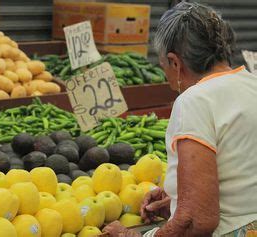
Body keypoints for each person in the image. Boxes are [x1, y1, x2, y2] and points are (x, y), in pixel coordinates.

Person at [104, 2, 257, 237]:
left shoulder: (195, 101)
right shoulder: (252, 84)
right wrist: (178, 196)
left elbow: (196, 220)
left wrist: (132, 236)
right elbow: (240, 175)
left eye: (164, 66)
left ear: (175, 63)